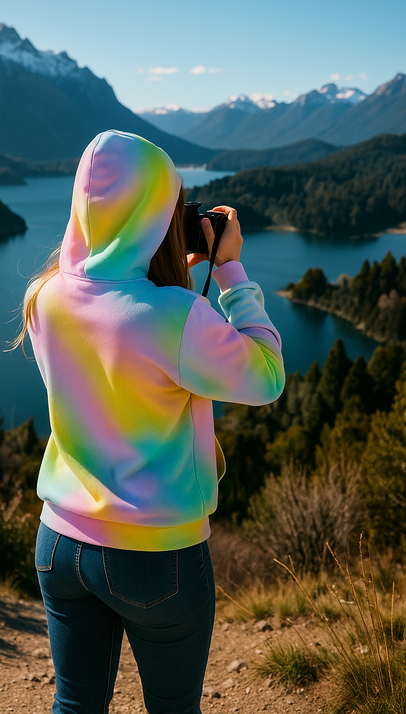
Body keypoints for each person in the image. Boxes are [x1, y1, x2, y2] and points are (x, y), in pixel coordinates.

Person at [16, 130, 284, 714]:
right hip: (157, 555)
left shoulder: (45, 298)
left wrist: (153, 268)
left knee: (75, 705)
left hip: (59, 543)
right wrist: (231, 271)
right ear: (155, 215)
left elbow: (112, 333)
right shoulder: (175, 316)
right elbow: (266, 376)